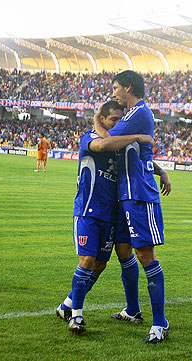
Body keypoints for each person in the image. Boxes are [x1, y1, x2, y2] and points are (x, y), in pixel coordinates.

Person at [56, 100, 155, 335]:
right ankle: (76, 316)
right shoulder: (90, 137)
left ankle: (66, 306)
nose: (118, 124)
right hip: (88, 211)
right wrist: (137, 136)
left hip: (110, 215)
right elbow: (102, 145)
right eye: (114, 120)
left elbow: (136, 159)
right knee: (87, 261)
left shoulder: (118, 144)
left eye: (121, 119)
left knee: (100, 264)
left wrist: (162, 173)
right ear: (102, 119)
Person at [93, 70, 171, 344]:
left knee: (145, 255)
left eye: (115, 87)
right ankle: (133, 310)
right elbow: (136, 150)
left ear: (127, 87)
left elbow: (106, 140)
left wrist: (96, 120)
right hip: (126, 193)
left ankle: (160, 323)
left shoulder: (138, 112)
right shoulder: (133, 115)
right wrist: (162, 170)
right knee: (124, 251)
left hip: (139, 193)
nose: (113, 93)